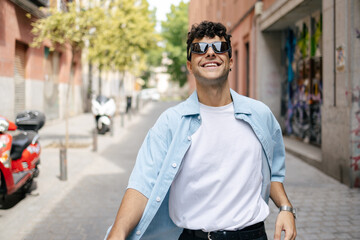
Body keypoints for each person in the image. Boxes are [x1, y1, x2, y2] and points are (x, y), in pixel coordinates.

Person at [105, 21, 297, 240]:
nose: (210, 54)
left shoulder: (260, 115)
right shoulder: (170, 123)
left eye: (219, 48)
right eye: (199, 50)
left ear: (230, 61)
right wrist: (118, 233)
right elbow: (142, 184)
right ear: (189, 65)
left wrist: (285, 208)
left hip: (251, 235)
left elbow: (273, 174)